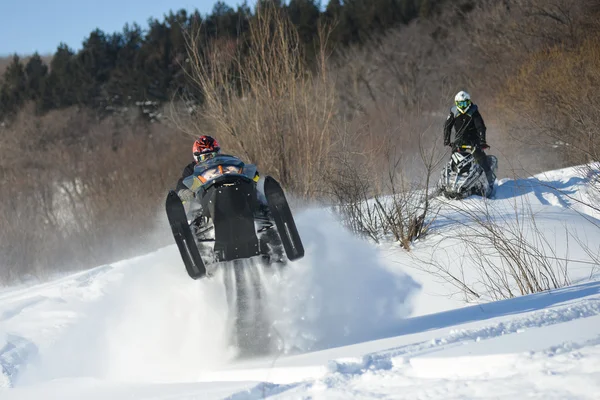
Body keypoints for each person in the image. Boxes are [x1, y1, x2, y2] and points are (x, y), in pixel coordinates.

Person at [443, 90, 494, 184]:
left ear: (469, 102)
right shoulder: (453, 112)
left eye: (465, 103)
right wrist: (446, 140)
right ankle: (448, 182)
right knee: (454, 160)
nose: (463, 106)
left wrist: (482, 141)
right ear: (456, 103)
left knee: (480, 158)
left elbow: (481, 127)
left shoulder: (474, 112)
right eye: (460, 104)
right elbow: (447, 127)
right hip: (459, 140)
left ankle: (489, 179)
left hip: (474, 140)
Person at [176, 135, 222, 203]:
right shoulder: (192, 169)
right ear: (197, 158)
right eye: (204, 157)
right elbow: (182, 183)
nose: (208, 159)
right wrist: (184, 192)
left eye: (212, 155)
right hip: (201, 202)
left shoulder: (224, 163)